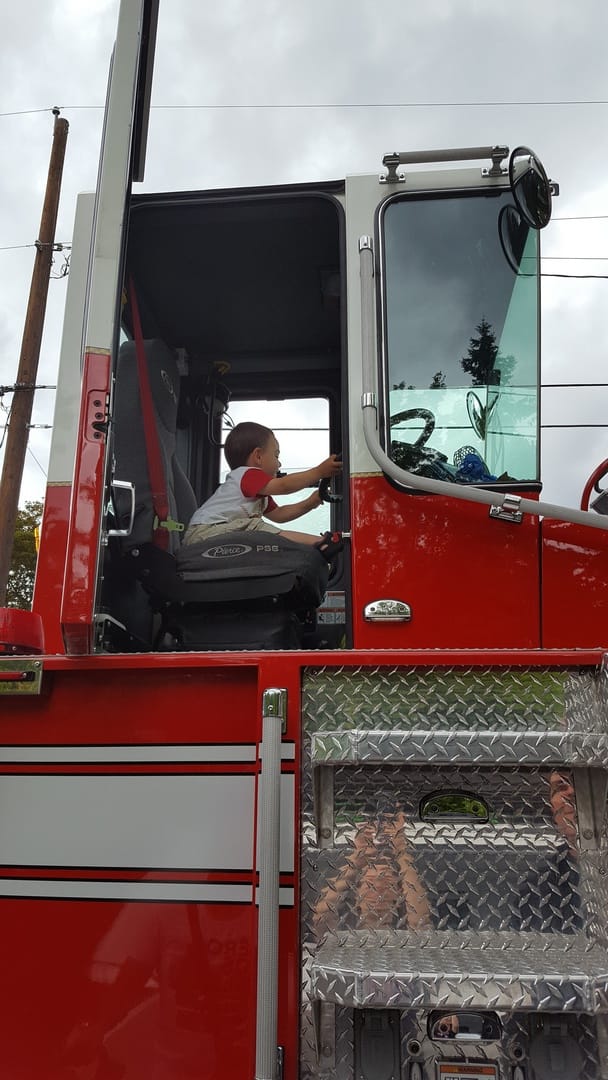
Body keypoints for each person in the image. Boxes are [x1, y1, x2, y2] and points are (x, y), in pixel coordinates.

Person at [183, 421, 343, 556]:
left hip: (215, 534)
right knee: (256, 529)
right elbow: (283, 486)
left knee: (258, 535)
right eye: (276, 456)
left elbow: (280, 515)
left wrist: (311, 502)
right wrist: (319, 472)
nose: (279, 464)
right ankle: (319, 543)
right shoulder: (247, 475)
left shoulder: (258, 493)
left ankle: (318, 543)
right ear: (258, 456)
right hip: (205, 532)